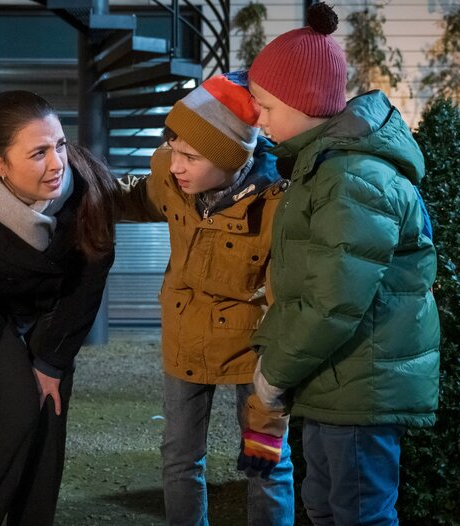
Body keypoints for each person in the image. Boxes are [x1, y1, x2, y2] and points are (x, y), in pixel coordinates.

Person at [247, 3, 440, 525]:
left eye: (265, 105)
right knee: (326, 507)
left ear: (303, 101)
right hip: (336, 380)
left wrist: (274, 375)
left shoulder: (350, 179)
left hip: (359, 385)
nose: (258, 118)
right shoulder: (323, 167)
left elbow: (333, 300)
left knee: (358, 514)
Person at [116, 71, 294, 525]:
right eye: (173, 149)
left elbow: (285, 306)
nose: (175, 164)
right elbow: (138, 196)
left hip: (251, 344)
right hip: (185, 332)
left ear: (232, 159)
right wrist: (77, 189)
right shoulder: (172, 176)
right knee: (179, 456)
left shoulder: (277, 205)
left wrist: (268, 416)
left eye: (190, 156)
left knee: (266, 461)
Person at [0, 90, 117, 526]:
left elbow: (88, 285)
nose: (57, 163)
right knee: (12, 413)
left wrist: (52, 362)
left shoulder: (89, 188)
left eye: (59, 144)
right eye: (38, 153)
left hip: (53, 312)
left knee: (49, 414)